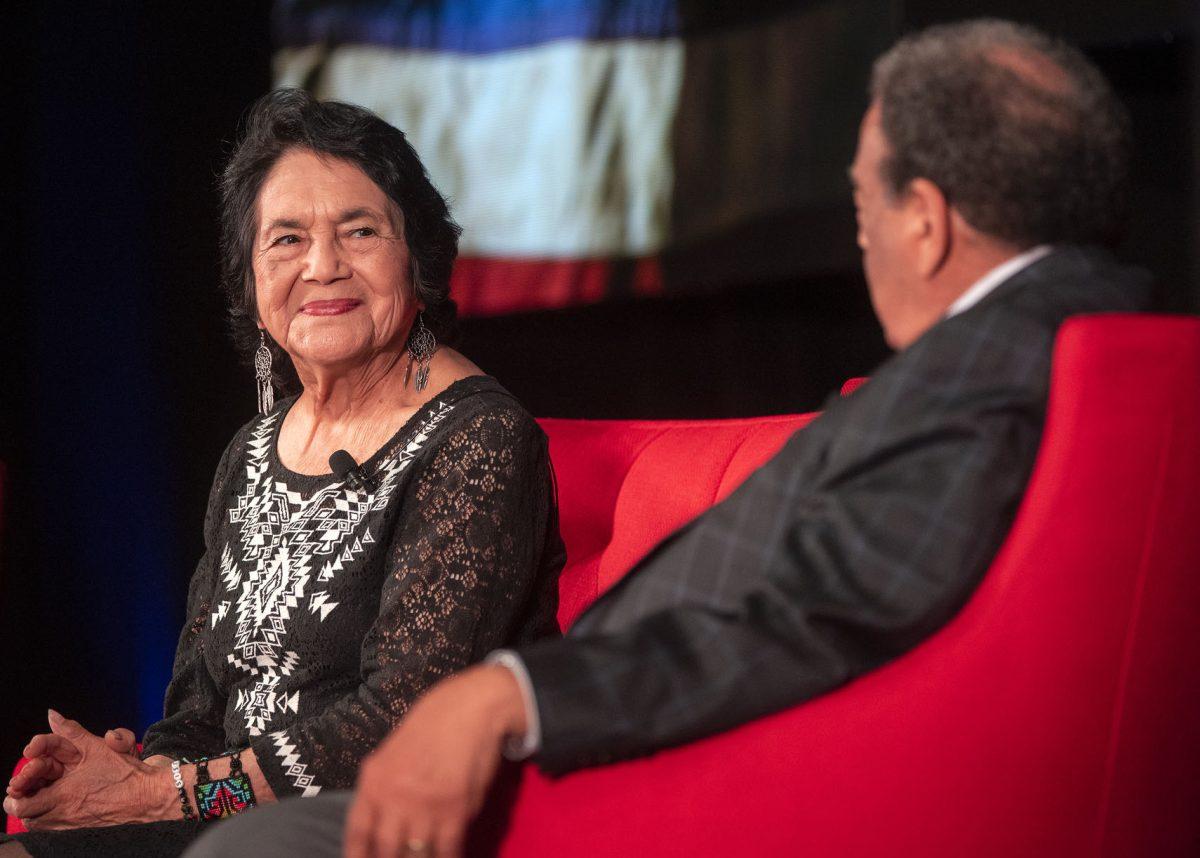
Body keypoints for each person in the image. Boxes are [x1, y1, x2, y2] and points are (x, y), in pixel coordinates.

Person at [185, 18, 1152, 858]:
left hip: (654, 787)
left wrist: (511, 694)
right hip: (653, 761)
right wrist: (143, 767)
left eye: (861, 206)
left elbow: (813, 612)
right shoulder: (1089, 356)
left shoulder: (988, 384)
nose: (864, 246)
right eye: (285, 239)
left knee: (251, 846)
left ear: (928, 225)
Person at [0, 89, 564, 857]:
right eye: (287, 240)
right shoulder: (251, 451)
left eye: (359, 232)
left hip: (385, 820)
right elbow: (199, 709)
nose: (323, 266)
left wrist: (165, 794)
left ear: (419, 260)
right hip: (228, 820)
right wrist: (132, 770)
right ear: (251, 282)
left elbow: (398, 724)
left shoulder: (481, 440)